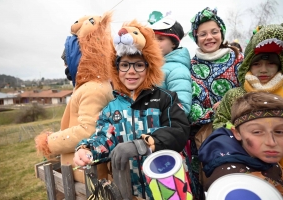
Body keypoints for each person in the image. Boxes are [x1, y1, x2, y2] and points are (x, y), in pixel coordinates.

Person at [73, 20, 190, 199]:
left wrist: (142, 144)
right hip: (131, 191)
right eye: (125, 65)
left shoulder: (165, 98)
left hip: (168, 187)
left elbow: (178, 130)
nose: (131, 71)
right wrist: (86, 150)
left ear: (149, 67)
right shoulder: (111, 109)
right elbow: (104, 139)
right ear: (116, 69)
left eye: (139, 65)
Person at [35, 12, 114, 183]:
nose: (65, 65)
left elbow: (89, 130)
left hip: (87, 173)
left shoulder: (93, 88)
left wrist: (50, 142)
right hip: (82, 170)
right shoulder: (91, 85)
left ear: (78, 59)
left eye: (67, 59)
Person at [187, 7, 244, 198]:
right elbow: (190, 105)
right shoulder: (192, 67)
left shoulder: (237, 59)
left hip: (239, 132)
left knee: (240, 181)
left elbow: (248, 91)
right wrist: (212, 112)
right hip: (206, 137)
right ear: (196, 37)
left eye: (214, 32)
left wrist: (229, 106)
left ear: (222, 33)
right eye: (202, 34)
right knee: (211, 184)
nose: (209, 37)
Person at [212, 23, 283, 168]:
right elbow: (219, 124)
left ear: (279, 65)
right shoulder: (235, 95)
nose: (263, 70)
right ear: (248, 66)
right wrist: (240, 130)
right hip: (248, 167)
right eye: (257, 64)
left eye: (271, 63)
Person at [199, 91, 283, 197]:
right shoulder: (234, 184)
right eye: (257, 132)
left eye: (279, 132)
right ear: (237, 133)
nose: (271, 142)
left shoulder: (261, 158)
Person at [150, 16, 192, 116]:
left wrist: (149, 112)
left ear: (173, 43)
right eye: (152, 39)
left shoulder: (178, 70)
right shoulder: (149, 66)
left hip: (163, 127)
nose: (154, 43)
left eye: (160, 39)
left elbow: (182, 107)